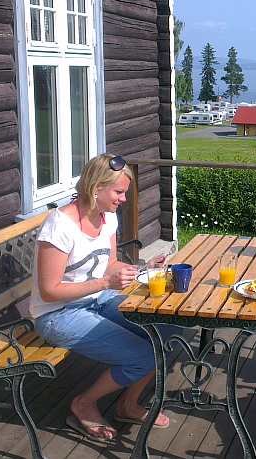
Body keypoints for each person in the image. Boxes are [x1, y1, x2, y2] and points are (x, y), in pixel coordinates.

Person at [31, 153, 169, 443]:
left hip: (98, 299)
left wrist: (141, 269)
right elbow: (49, 290)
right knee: (144, 355)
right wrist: (106, 282)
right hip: (57, 314)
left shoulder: (107, 219)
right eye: (118, 192)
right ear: (96, 188)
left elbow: (110, 264)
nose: (123, 199)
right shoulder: (59, 226)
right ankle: (83, 403)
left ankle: (128, 405)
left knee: (158, 330)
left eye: (124, 193)